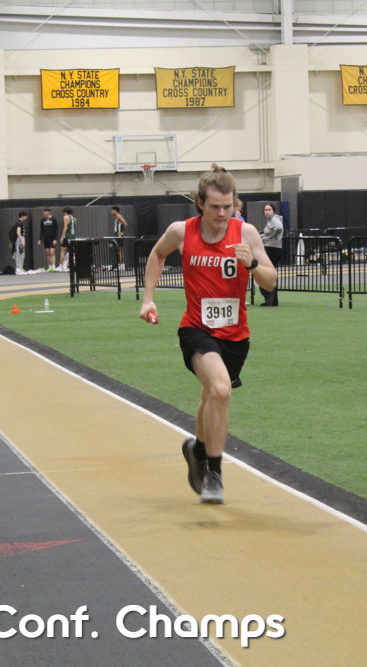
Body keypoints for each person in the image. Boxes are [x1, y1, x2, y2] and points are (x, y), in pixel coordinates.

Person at [139, 164, 277, 504]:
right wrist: (148, 298)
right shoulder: (181, 231)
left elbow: (271, 282)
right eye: (214, 206)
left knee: (210, 396)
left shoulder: (246, 234)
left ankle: (197, 449)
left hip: (236, 335)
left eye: (227, 206)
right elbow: (157, 254)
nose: (221, 213)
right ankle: (214, 473)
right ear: (200, 203)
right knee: (220, 389)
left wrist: (252, 265)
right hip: (196, 329)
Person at [260, 203, 284, 306]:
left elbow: (279, 227)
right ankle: (272, 300)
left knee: (268, 273)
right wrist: (263, 236)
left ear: (273, 211)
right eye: (265, 210)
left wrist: (269, 235)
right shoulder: (270, 220)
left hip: (272, 248)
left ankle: (271, 300)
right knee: (270, 273)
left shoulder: (274, 219)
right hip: (272, 247)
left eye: (269, 210)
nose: (267, 212)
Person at [58, 207, 76, 272]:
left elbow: (65, 228)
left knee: (62, 251)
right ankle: (70, 266)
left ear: (65, 212)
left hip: (67, 236)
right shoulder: (74, 218)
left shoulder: (66, 217)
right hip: (73, 237)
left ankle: (61, 267)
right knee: (72, 252)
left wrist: (62, 237)